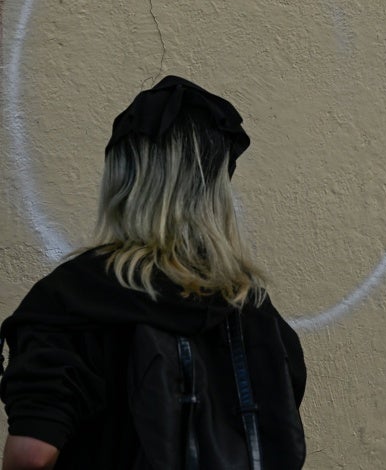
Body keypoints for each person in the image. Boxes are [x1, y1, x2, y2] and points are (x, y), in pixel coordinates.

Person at [0, 76, 306, 468]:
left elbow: (32, 455)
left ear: (123, 182)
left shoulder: (73, 300)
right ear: (217, 191)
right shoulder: (257, 313)